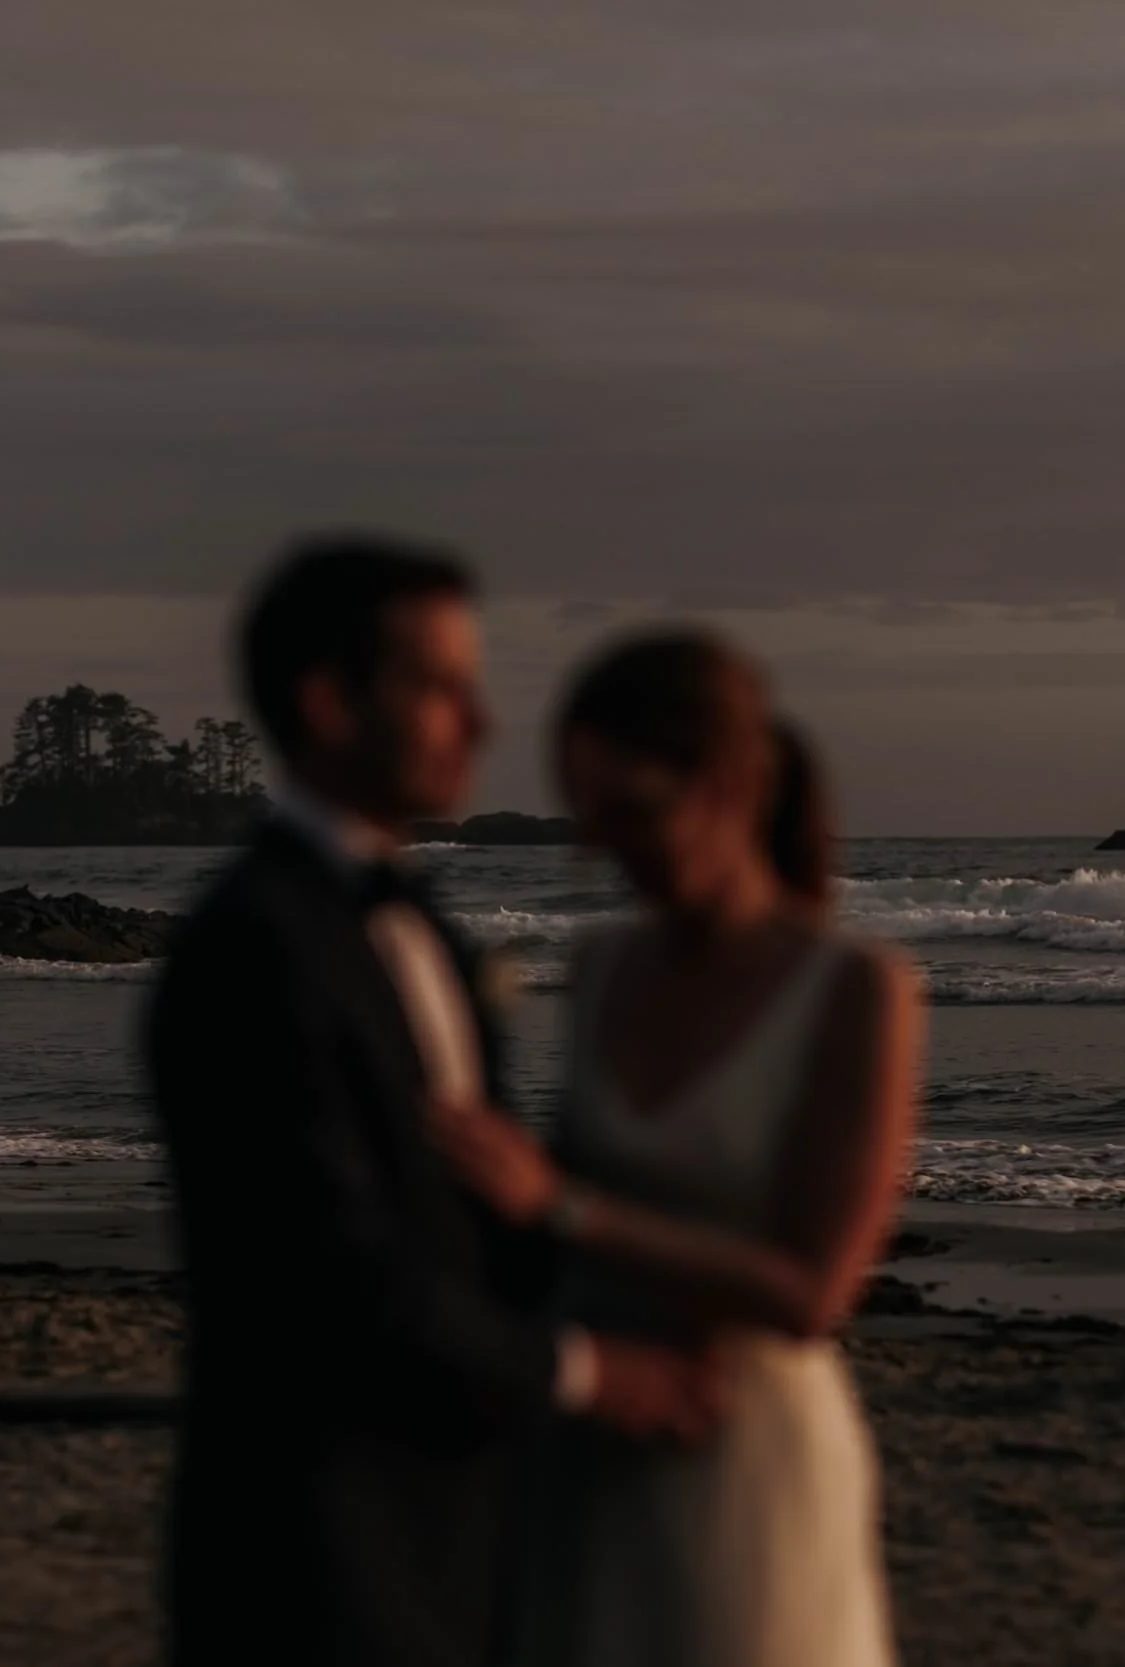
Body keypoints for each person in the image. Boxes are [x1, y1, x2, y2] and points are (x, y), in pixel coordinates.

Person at [145, 536, 722, 1667]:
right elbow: (334, 1277)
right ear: (326, 701)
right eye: (443, 687)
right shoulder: (252, 951)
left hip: (462, 1533)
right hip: (319, 1554)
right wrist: (589, 1371)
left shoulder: (420, 930)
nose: (483, 722)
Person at [427, 628, 923, 1667]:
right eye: (593, 824)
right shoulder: (602, 966)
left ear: (734, 779)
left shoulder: (851, 990)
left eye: (639, 813)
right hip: (592, 1432)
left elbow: (814, 1290)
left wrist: (558, 1205)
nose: (617, 853)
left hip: (740, 1443)